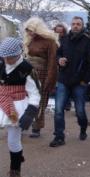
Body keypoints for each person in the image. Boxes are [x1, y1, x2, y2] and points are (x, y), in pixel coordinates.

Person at [49, 16, 90, 147]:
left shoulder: (88, 42)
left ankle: (83, 128)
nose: (75, 26)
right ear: (71, 25)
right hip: (64, 79)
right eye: (74, 24)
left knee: (80, 111)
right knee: (58, 110)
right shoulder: (64, 39)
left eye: (78, 24)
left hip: (79, 82)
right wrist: (59, 60)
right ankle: (59, 136)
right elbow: (57, 54)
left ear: (82, 26)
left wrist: (84, 81)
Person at [0, 37, 40, 177]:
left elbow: (35, 93)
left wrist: (29, 114)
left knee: (12, 140)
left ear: (18, 54)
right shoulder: (1, 62)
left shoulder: (26, 69)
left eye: (10, 57)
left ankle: (15, 169)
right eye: (4, 57)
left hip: (16, 108)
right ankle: (18, 155)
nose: (6, 60)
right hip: (1, 101)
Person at [23, 17, 59, 138]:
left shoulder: (50, 41)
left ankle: (37, 127)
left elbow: (52, 62)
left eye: (31, 29)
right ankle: (22, 124)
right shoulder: (29, 40)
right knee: (25, 99)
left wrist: (50, 80)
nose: (29, 32)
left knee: (40, 100)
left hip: (41, 74)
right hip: (27, 73)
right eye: (27, 30)